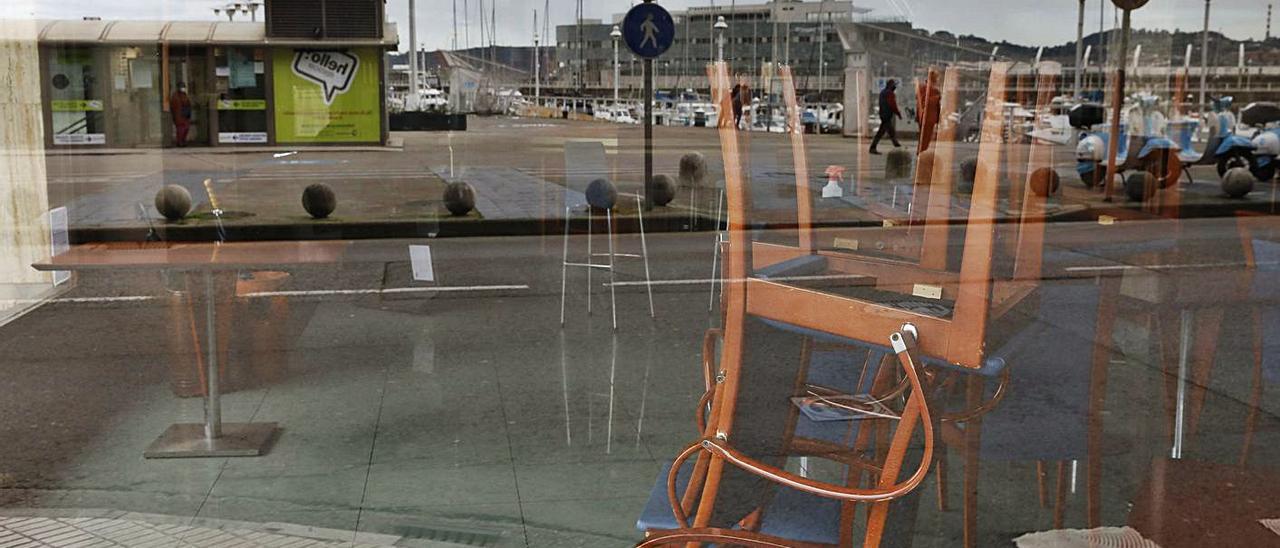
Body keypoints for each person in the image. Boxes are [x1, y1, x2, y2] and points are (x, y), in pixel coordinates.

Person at [869, 79, 902, 154]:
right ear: (890, 85)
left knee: (885, 131)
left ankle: (896, 145)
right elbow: (892, 105)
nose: (895, 87)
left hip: (883, 114)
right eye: (893, 85)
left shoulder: (882, 93)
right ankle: (897, 147)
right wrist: (898, 113)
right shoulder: (890, 93)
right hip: (887, 115)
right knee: (888, 131)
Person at [915, 73, 942, 152]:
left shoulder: (920, 88)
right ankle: (922, 151)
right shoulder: (935, 91)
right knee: (927, 136)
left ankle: (920, 150)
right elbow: (936, 106)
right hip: (930, 117)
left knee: (922, 135)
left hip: (921, 116)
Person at [169, 83, 193, 147]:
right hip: (179, 115)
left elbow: (188, 103)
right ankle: (180, 142)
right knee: (180, 129)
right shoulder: (175, 96)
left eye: (184, 87)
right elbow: (173, 106)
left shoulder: (185, 95)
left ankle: (183, 141)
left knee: (186, 128)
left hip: (185, 115)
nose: (183, 89)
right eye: (182, 87)